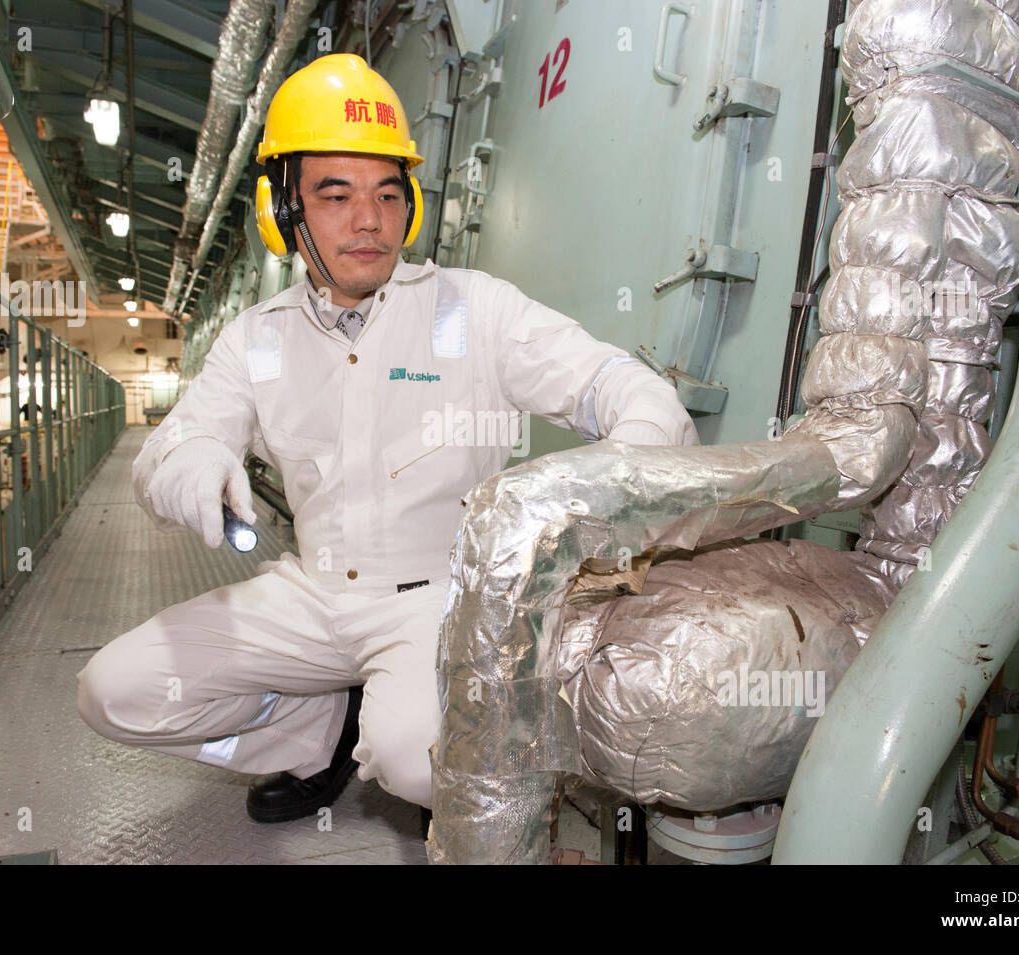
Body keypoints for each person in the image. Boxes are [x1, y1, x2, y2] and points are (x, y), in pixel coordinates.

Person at [75, 54, 698, 825]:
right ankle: (315, 729)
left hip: (435, 599)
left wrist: (616, 469)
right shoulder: (255, 342)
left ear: (412, 206)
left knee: (416, 757)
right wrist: (196, 461)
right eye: (334, 196)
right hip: (310, 591)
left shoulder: (474, 312)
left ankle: (409, 741)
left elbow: (626, 388)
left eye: (387, 194)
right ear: (283, 212)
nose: (368, 221)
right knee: (116, 692)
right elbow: (174, 445)